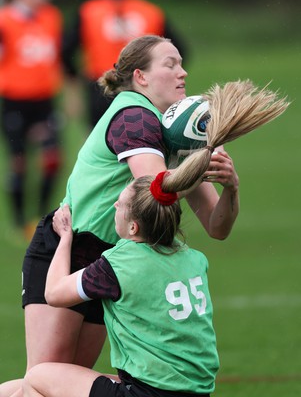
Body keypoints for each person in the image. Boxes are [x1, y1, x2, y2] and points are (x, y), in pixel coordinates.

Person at [0, 35, 240, 397]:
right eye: (170, 64)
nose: (183, 71)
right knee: (42, 380)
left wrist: (230, 187)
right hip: (68, 246)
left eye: (181, 63)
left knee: (64, 382)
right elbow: (156, 189)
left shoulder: (173, 134)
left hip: (114, 260)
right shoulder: (134, 118)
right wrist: (203, 156)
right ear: (141, 77)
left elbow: (217, 227)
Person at [22, 168, 222, 397]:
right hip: (190, 391)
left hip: (145, 393)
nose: (115, 206)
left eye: (120, 204)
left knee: (36, 378)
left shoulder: (119, 263)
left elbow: (54, 294)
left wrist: (65, 237)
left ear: (133, 227)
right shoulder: (194, 259)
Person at [62, 0, 188, 128]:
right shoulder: (150, 11)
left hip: (102, 87)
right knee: (147, 131)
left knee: (101, 134)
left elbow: (66, 51)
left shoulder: (89, 11)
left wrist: (74, 81)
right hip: (142, 87)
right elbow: (178, 50)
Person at [0, 0, 63, 234]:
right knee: (19, 163)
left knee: (52, 158)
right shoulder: (5, 20)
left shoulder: (51, 16)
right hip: (15, 102)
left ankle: (42, 214)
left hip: (44, 102)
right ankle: (18, 219)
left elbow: (56, 57)